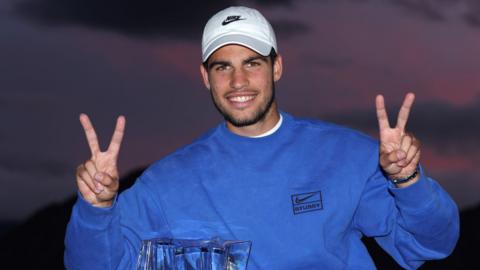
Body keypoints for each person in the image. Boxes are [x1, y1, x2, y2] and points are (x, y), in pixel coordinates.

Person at [64, 6, 459, 270]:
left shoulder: (348, 157)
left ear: (277, 66)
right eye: (223, 67)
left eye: (252, 63)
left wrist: (408, 181)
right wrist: (96, 207)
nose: (238, 82)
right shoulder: (167, 183)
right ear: (205, 77)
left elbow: (429, 244)